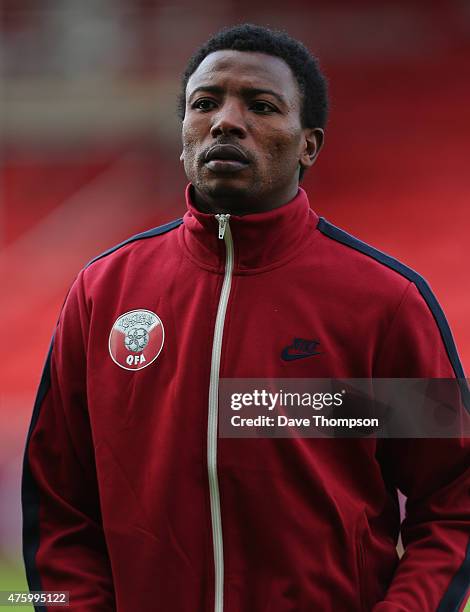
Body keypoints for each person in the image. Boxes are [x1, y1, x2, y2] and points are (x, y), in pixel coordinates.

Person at [22, 23, 469, 612]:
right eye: (205, 104)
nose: (226, 121)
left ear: (309, 145)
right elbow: (60, 507)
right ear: (182, 134)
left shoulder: (382, 302)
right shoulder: (102, 292)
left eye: (260, 105)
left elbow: (454, 500)